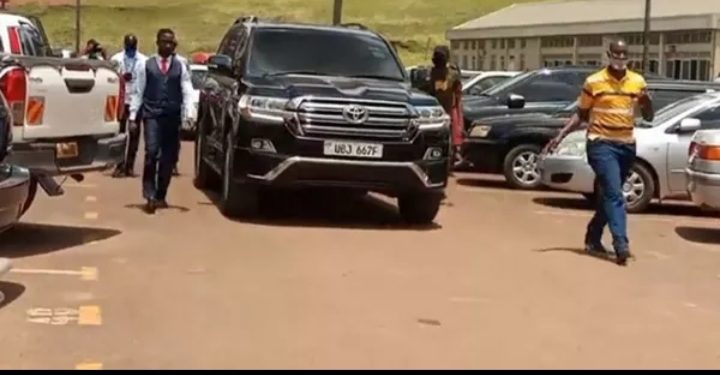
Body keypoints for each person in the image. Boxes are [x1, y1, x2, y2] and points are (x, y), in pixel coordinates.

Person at [544, 40, 654, 266]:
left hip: (626, 145)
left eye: (624, 55)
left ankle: (593, 235)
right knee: (615, 193)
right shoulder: (594, 82)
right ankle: (621, 244)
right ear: (609, 55)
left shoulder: (637, 82)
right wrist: (560, 136)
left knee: (608, 196)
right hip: (601, 144)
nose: (620, 58)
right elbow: (581, 114)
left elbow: (649, 115)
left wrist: (646, 102)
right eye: (616, 54)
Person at [129, 28, 194, 215]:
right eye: (164, 42)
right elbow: (138, 91)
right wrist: (133, 117)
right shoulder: (145, 65)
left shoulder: (181, 65)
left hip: (172, 116)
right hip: (152, 115)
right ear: (157, 43)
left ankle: (160, 194)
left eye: (171, 43)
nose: (168, 45)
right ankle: (148, 194)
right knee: (151, 152)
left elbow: (187, 89)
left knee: (168, 158)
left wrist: (189, 114)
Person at [421, 46, 464, 172]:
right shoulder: (449, 74)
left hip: (440, 111)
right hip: (442, 111)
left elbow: (435, 89)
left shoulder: (440, 73)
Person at [111, 34, 147, 178]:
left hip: (136, 100)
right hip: (120, 101)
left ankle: (130, 166)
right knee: (119, 134)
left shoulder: (143, 61)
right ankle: (119, 165)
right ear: (124, 45)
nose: (131, 49)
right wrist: (121, 77)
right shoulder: (116, 60)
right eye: (128, 46)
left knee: (134, 134)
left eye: (133, 46)